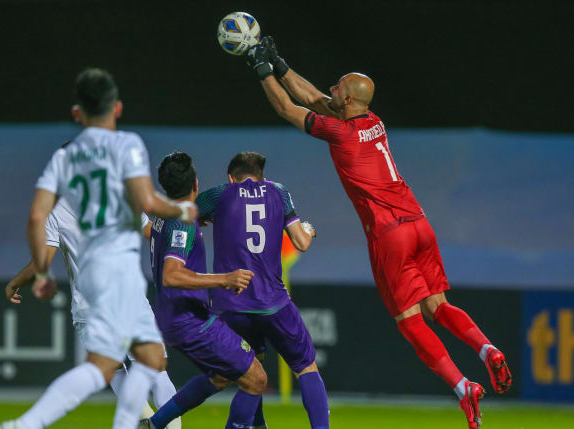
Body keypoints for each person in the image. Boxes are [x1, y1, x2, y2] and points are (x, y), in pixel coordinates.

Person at [244, 38, 512, 429]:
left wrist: (261, 69)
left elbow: (290, 107)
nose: (331, 89)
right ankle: (486, 349)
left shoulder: (341, 133)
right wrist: (281, 63)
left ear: (349, 100)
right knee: (438, 306)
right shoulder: (373, 122)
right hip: (420, 223)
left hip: (389, 234)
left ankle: (462, 388)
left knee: (410, 321)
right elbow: (317, 98)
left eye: (339, 87)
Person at [0, 67, 197, 429]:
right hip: (126, 292)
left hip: (90, 301)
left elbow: (39, 243)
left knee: (110, 370)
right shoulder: (120, 173)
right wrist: (181, 224)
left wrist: (22, 280)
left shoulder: (59, 193)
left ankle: (131, 420)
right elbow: (151, 224)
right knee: (151, 368)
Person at [3, 194, 181, 429]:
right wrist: (182, 243)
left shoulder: (58, 211)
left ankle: (144, 420)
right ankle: (159, 424)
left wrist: (14, 282)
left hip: (91, 308)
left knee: (115, 370)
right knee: (156, 372)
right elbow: (153, 236)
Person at [196, 152, 327, 429]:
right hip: (274, 303)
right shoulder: (279, 192)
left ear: (231, 177)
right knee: (306, 366)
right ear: (262, 176)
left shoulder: (221, 194)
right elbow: (301, 243)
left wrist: (203, 217)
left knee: (250, 372)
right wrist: (309, 229)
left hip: (232, 304)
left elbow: (186, 215)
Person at [142, 151, 267, 429]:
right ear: (195, 184)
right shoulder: (182, 223)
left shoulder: (168, 216)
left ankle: (154, 424)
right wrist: (224, 279)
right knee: (256, 378)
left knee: (223, 375)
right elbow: (171, 275)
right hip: (189, 321)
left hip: (178, 317)